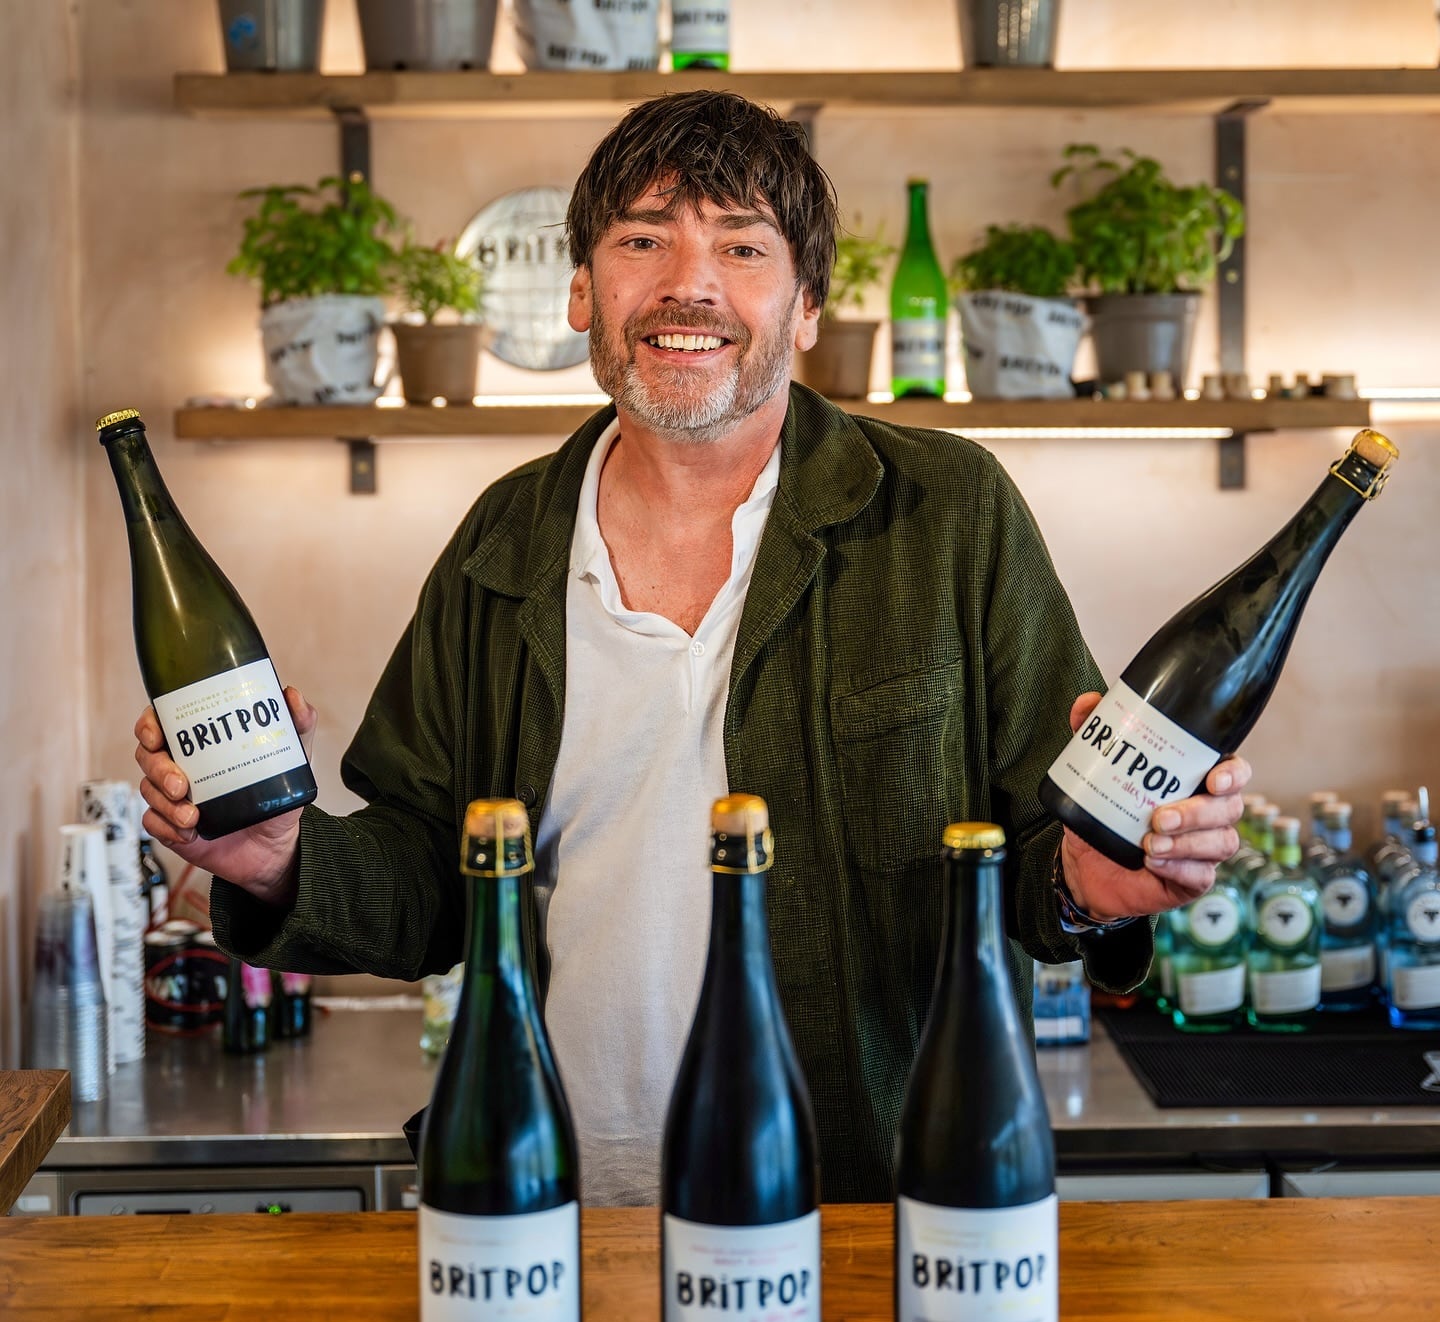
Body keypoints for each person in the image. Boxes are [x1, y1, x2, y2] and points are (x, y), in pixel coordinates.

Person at [133, 91, 1248, 1205]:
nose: (689, 283)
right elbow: (430, 873)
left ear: (807, 304)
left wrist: (1093, 884)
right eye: (642, 238)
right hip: (552, 1206)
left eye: (743, 246)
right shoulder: (504, 539)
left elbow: (1041, 859)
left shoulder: (948, 515)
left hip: (866, 1210)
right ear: (582, 290)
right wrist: (279, 857)